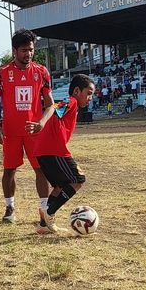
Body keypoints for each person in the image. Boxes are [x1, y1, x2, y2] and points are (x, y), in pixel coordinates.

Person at [0, 29, 54, 225]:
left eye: (31, 50)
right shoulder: (1, 73)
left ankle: (45, 209)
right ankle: (10, 208)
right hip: (10, 131)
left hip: (34, 132)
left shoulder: (42, 72)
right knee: (9, 170)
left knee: (41, 170)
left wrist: (41, 123)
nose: (29, 54)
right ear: (15, 50)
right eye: (24, 50)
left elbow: (50, 104)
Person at [26, 74, 95, 234]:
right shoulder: (71, 101)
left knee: (58, 187)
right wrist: (41, 124)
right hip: (53, 150)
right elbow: (54, 108)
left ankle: (44, 225)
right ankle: (49, 212)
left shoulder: (73, 105)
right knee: (78, 179)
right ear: (77, 91)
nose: (90, 97)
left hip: (42, 151)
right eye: (89, 93)